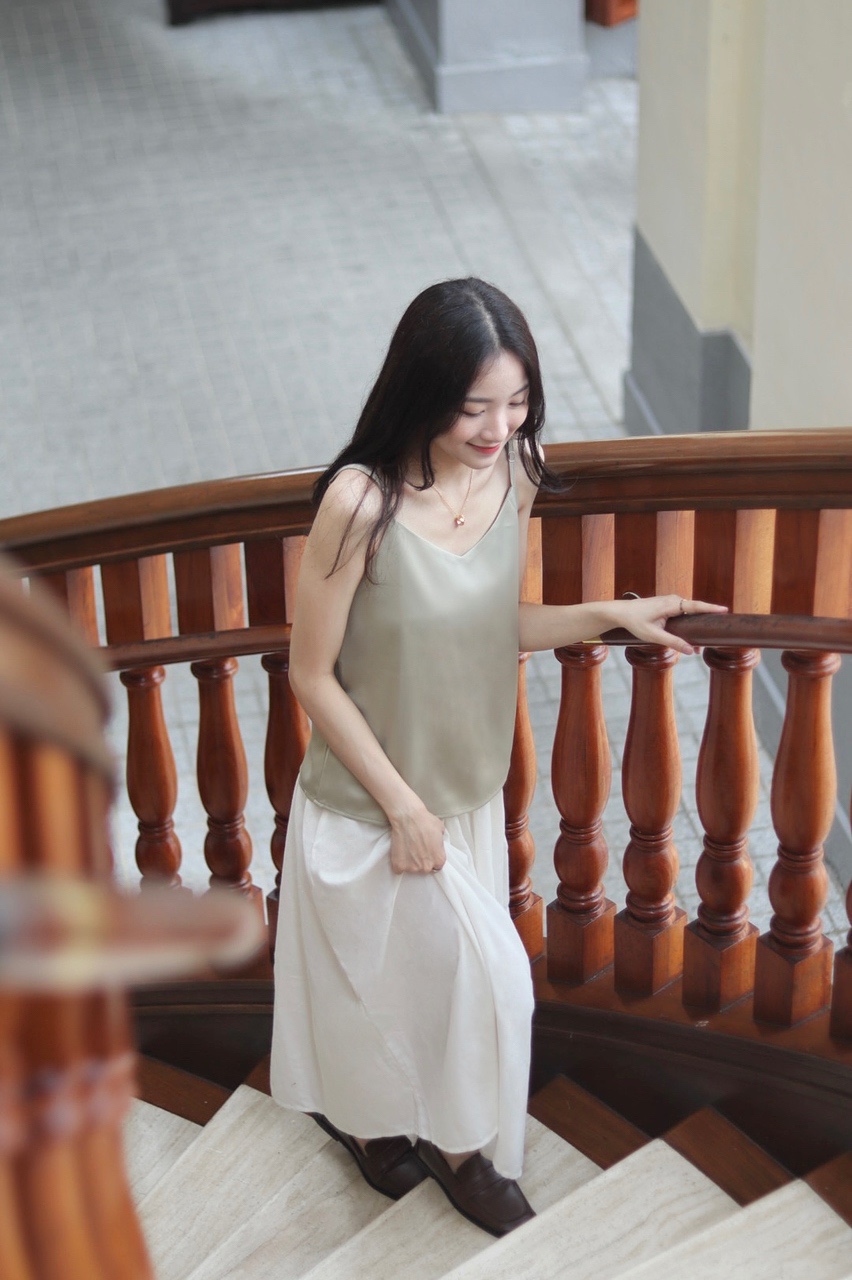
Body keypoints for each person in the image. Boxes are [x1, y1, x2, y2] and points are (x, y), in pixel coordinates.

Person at [269, 277, 725, 1237]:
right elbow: (312, 674)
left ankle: (452, 1143)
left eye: (517, 402)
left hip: (466, 796)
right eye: (475, 406)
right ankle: (393, 1132)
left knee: (446, 991)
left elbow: (490, 624)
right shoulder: (360, 504)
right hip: (370, 806)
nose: (499, 426)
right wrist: (403, 808)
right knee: (444, 987)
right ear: (421, 391)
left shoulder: (517, 472)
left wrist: (610, 615)